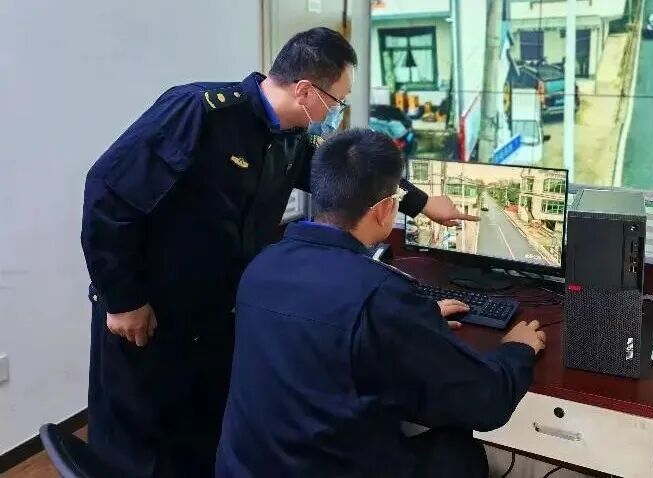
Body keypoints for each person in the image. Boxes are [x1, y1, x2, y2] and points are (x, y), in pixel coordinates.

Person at [81, 27, 476, 477]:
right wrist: (123, 298)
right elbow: (108, 193)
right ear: (305, 90)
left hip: (213, 314)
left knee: (199, 435)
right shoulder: (199, 113)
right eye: (337, 101)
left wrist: (422, 203)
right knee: (138, 447)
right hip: (148, 313)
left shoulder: (291, 139)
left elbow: (355, 177)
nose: (337, 113)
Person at [216, 129, 547, 478]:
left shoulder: (262, 265)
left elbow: (325, 324)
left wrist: (412, 318)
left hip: (244, 468)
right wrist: (518, 349)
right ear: (386, 208)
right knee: (461, 451)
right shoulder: (380, 295)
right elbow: (487, 402)